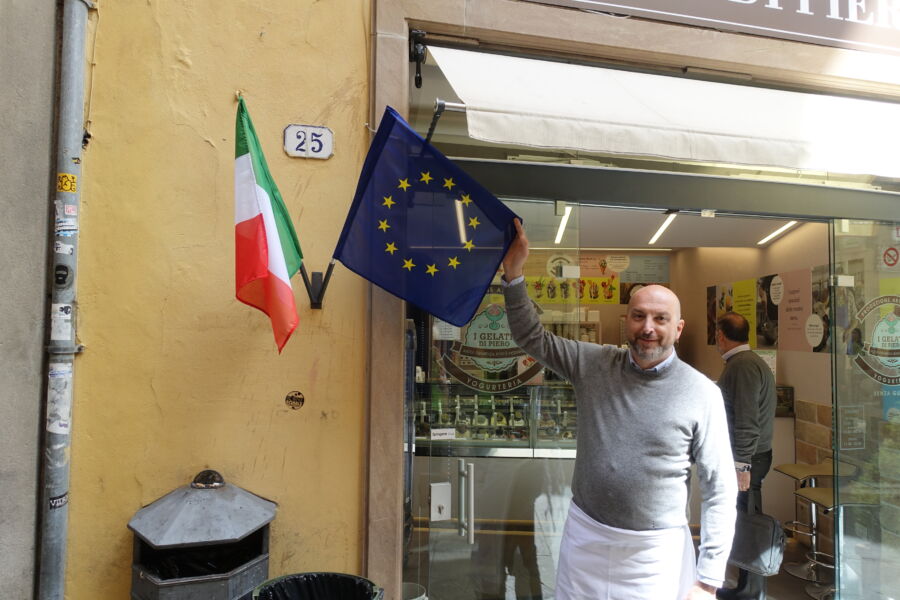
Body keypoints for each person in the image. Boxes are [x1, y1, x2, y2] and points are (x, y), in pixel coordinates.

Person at [501, 219, 736, 600]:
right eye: (639, 315)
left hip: (655, 553)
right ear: (625, 320)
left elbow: (720, 488)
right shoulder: (593, 363)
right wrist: (513, 275)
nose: (648, 327)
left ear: (678, 328)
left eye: (661, 319)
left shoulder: (701, 393)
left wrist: (708, 579)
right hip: (586, 538)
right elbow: (531, 337)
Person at [714, 312, 777, 600]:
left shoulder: (742, 367)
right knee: (744, 519)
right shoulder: (748, 363)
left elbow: (747, 421)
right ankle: (745, 586)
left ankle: (749, 589)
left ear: (721, 336)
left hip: (748, 459)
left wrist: (742, 465)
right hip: (752, 457)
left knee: (747, 522)